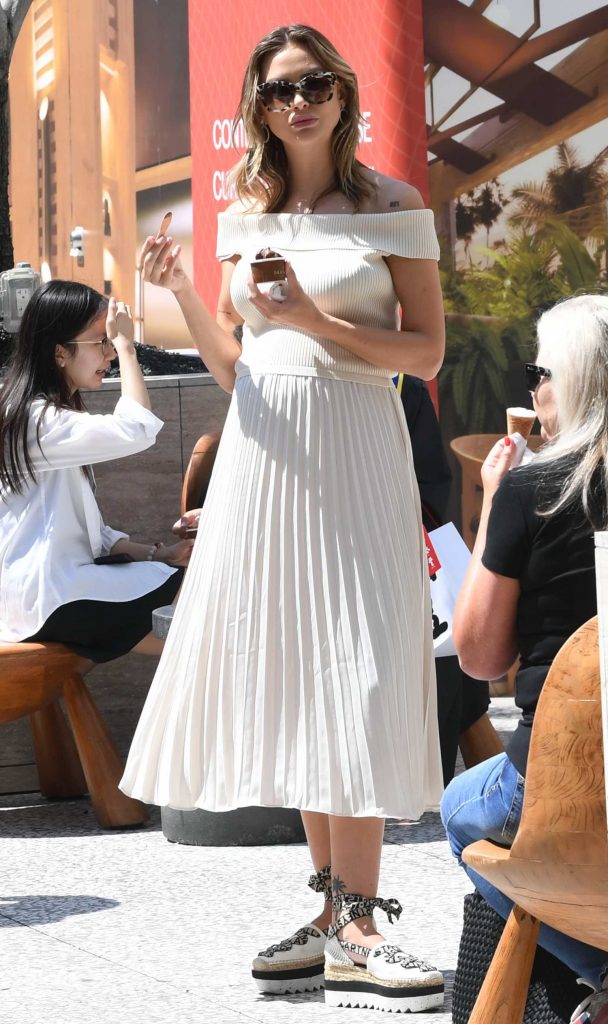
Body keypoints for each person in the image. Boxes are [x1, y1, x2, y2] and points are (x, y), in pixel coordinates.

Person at [120, 24, 445, 1013]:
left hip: (355, 447)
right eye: (274, 92)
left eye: (311, 85)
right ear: (257, 109)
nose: (294, 103)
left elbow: (424, 355)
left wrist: (310, 318)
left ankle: (359, 918)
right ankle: (330, 913)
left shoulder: (394, 207)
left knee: (364, 665)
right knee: (303, 672)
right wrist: (181, 293)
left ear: (343, 95)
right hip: (266, 457)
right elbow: (238, 367)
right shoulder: (243, 207)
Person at [440, 294, 608, 1024]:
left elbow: (479, 656)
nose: (531, 388)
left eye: (539, 371)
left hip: (568, 774)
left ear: (569, 380)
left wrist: (489, 508)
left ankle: (600, 970)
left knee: (458, 809)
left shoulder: (536, 488)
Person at [0, 281, 192, 669]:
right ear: (59, 352)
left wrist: (160, 553)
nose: (108, 354)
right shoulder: (37, 422)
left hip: (48, 595)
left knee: (193, 633)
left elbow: (93, 535)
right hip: (49, 600)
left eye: (109, 343)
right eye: (99, 342)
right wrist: (127, 346)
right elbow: (137, 428)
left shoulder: (42, 417)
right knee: (200, 610)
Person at [395, 373, 502, 785]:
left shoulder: (404, 386)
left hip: (408, 552)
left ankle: (498, 797)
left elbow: (430, 491)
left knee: (452, 662)